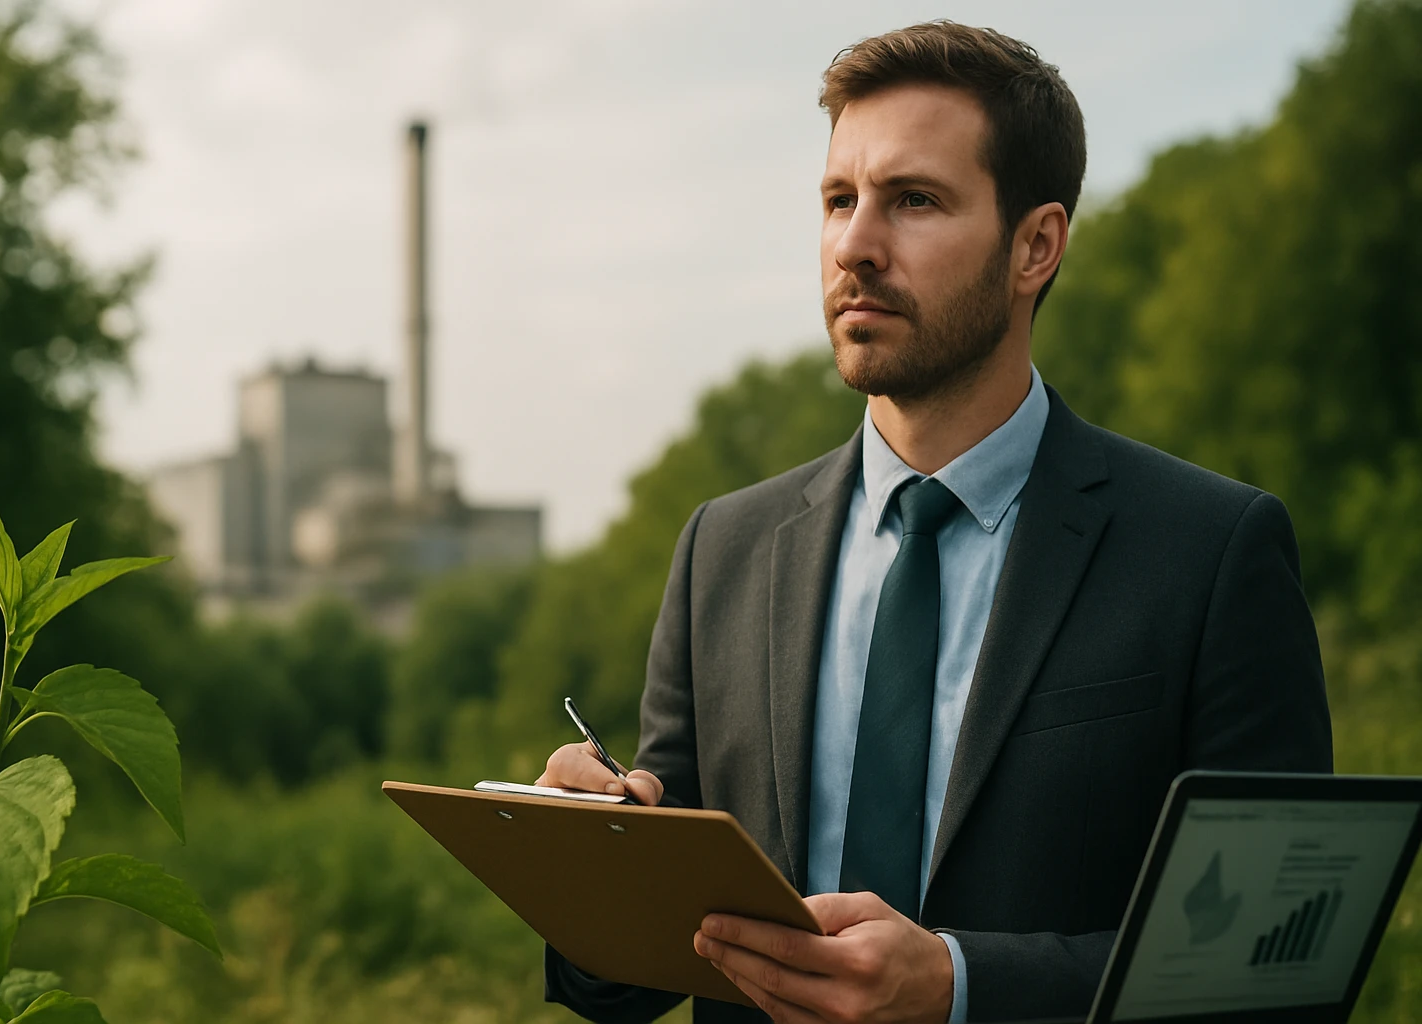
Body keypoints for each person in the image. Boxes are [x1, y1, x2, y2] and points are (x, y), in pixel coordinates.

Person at [536, 21, 1332, 1024]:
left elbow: (1276, 970)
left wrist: (963, 985)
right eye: (838, 200)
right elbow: (626, 982)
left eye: (912, 201)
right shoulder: (723, 552)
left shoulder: (1213, 552)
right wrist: (588, 862)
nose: (855, 246)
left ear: (1035, 246)